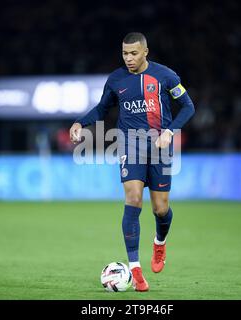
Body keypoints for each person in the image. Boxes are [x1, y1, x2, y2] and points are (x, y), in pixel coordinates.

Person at [69, 32, 195, 291]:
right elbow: (102, 109)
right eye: (125, 53)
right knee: (134, 198)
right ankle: (136, 270)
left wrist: (170, 131)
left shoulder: (165, 76)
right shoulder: (116, 80)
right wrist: (80, 122)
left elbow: (188, 106)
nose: (128, 58)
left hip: (160, 146)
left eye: (134, 53)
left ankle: (159, 243)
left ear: (145, 52)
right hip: (129, 143)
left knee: (160, 209)